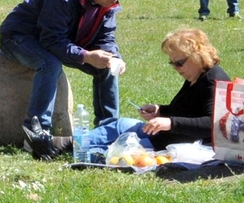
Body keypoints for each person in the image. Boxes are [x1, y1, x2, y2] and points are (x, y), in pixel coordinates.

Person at [0, 0, 128, 160]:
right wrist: (85, 55)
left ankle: (107, 132)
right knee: (49, 63)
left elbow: (106, 37)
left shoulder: (107, 2)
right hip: (19, 37)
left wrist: (114, 56)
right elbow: (51, 41)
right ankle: (36, 133)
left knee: (107, 66)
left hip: (63, 39)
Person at [75, 28, 230, 154]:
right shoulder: (195, 75)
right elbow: (189, 111)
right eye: (172, 63)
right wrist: (160, 111)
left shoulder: (214, 81)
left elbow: (214, 124)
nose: (175, 68)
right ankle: (68, 141)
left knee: (115, 150)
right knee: (121, 125)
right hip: (165, 135)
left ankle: (74, 148)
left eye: (179, 63)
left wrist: (170, 123)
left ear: (197, 57)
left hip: (175, 144)